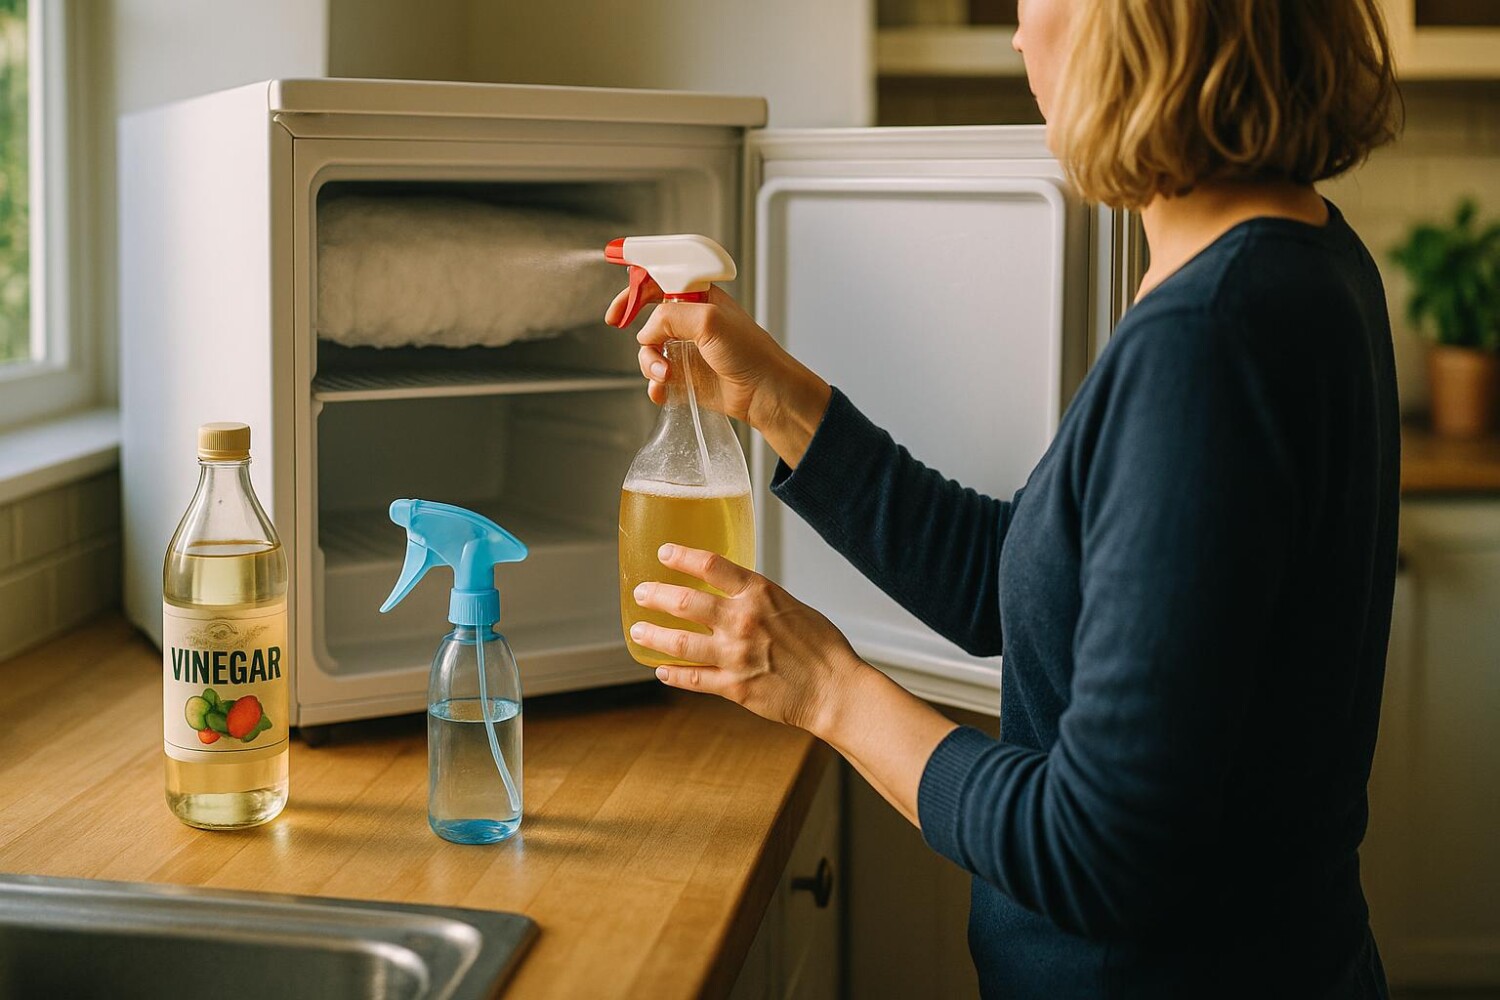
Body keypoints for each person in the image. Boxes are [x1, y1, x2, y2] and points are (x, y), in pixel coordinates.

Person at [607, 0, 1401, 995]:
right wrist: (775, 398)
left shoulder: (1208, 340)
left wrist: (827, 690)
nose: (1020, 38)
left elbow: (1094, 852)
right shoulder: (1296, 260)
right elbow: (1024, 594)